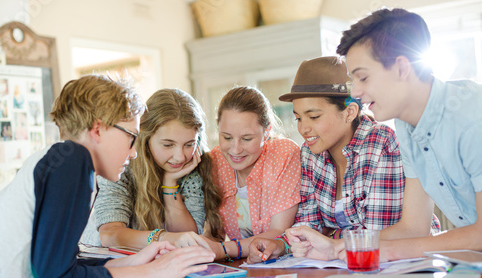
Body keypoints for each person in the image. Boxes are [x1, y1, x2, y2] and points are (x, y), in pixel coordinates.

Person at [0, 75, 215, 278]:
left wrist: (132, 263)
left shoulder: (60, 159)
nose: (134, 151)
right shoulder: (74, 162)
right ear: (97, 129)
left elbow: (57, 265)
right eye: (131, 137)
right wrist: (155, 273)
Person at [287, 8, 482, 262]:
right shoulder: (409, 126)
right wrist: (335, 247)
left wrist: (384, 251)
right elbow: (412, 227)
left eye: (363, 77)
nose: (355, 92)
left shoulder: (471, 116)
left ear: (401, 67)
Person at [247, 56, 440, 263]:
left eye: (314, 117)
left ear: (349, 112)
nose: (303, 128)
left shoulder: (381, 143)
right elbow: (307, 224)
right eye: (298, 118)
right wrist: (281, 244)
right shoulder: (309, 154)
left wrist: (328, 236)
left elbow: (373, 235)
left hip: (408, 261)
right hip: (343, 263)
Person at [81, 88, 223, 249]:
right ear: (145, 138)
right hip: (102, 260)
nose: (180, 157)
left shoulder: (194, 165)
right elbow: (110, 235)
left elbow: (188, 236)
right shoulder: (121, 165)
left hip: (155, 265)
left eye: (189, 144)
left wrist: (170, 184)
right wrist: (163, 238)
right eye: (168, 145)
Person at [207, 86, 301, 261]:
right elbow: (212, 233)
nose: (235, 149)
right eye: (227, 137)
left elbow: (279, 231)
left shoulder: (283, 154)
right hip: (246, 266)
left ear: (266, 132)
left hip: (287, 264)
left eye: (247, 139)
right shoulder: (214, 161)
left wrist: (224, 249)